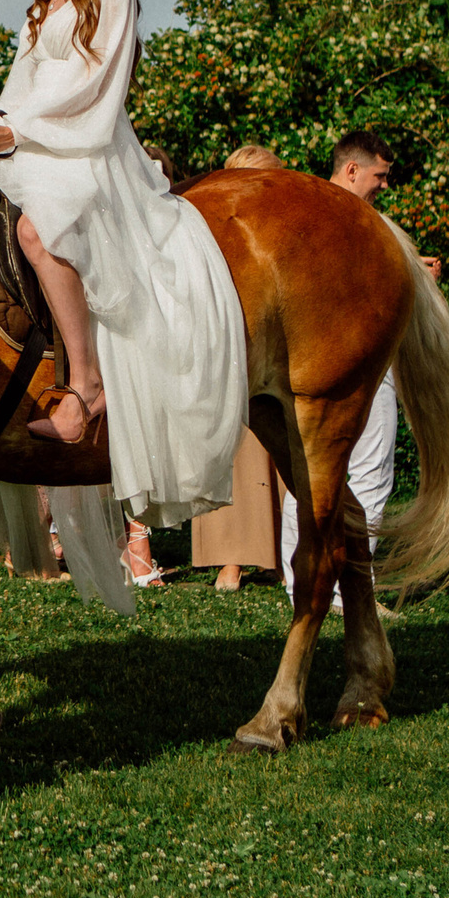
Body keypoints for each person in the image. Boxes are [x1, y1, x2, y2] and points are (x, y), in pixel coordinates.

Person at [0, 0, 247, 525]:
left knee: (37, 231)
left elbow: (95, 92)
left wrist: (16, 131)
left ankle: (85, 383)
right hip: (35, 139)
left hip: (89, 149)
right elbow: (24, 85)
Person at [278, 131, 434, 605]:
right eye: (379, 176)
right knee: (368, 472)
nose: (383, 186)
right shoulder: (353, 222)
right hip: (358, 363)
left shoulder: (298, 210)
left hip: (304, 366)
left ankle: (297, 580)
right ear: (352, 170)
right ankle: (348, 590)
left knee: (305, 474)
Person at [192, 142, 290, 588]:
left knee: (267, 459)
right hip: (229, 349)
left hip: (250, 348)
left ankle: (269, 558)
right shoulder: (218, 224)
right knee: (237, 458)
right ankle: (230, 561)